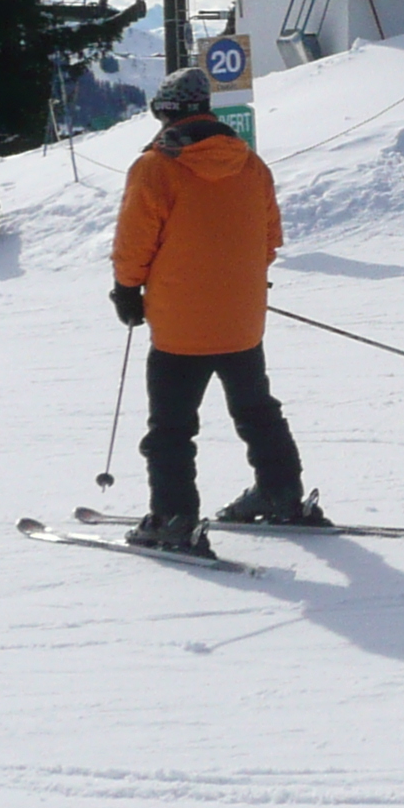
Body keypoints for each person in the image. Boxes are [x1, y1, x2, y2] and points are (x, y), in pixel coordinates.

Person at [111, 65, 306, 552]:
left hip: (180, 326)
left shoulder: (156, 166)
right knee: (257, 410)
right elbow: (270, 238)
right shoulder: (249, 163)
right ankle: (281, 493)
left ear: (165, 114)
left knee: (172, 428)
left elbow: (136, 240)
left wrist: (127, 289)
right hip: (242, 321)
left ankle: (174, 518)